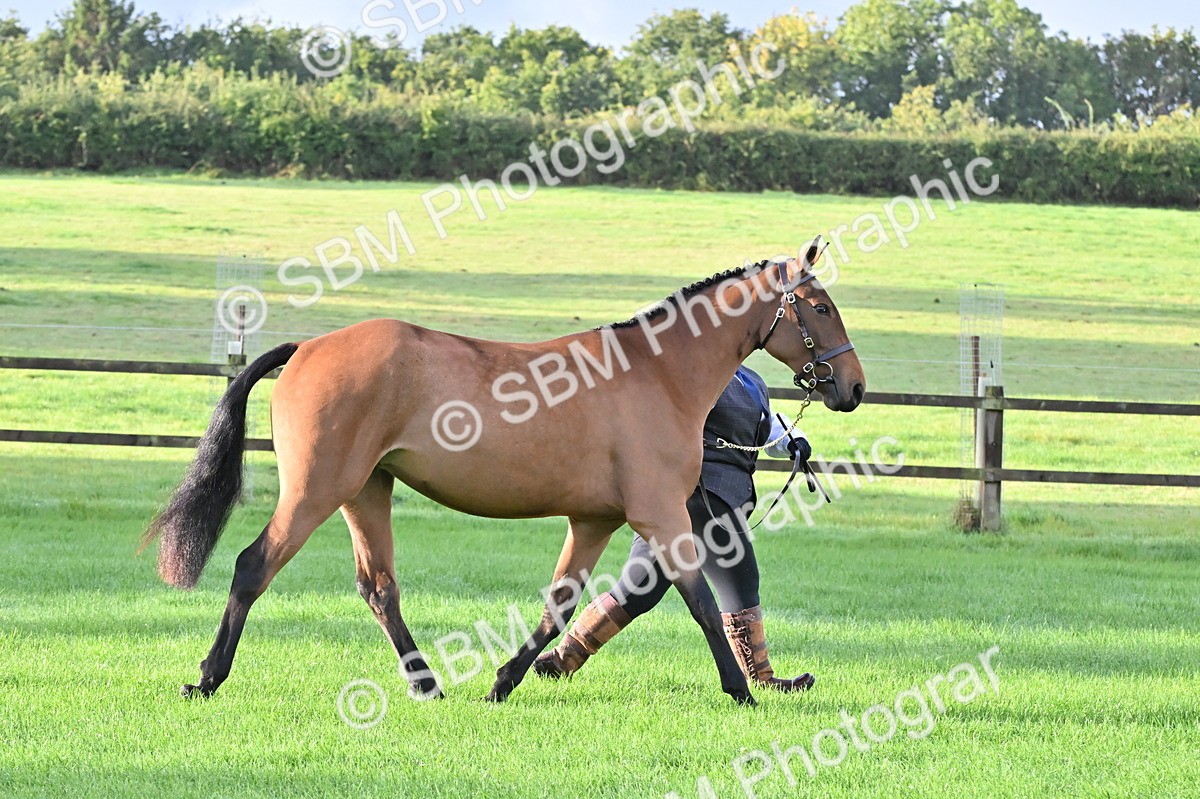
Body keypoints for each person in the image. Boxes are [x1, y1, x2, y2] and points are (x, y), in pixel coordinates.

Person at [534, 364, 817, 691]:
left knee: (638, 590)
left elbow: (763, 424)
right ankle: (761, 678)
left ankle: (562, 658)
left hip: (725, 499)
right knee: (736, 578)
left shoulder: (752, 379)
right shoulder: (690, 370)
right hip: (691, 498)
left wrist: (792, 441)